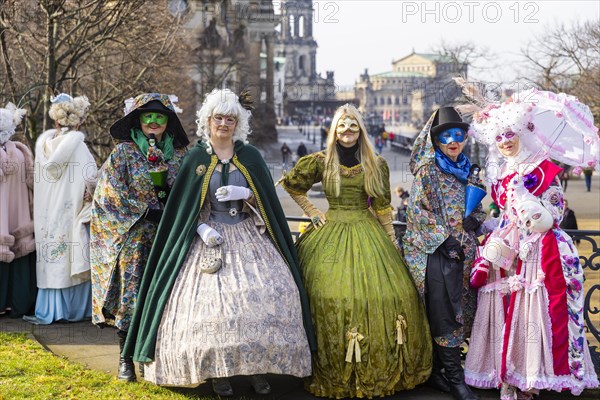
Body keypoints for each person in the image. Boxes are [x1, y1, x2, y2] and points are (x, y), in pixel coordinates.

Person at [123, 89, 315, 396]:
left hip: (247, 232)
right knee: (215, 306)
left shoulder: (250, 156)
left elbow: (268, 202)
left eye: (230, 118)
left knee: (271, 294)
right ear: (208, 121)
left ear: (238, 123)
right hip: (209, 238)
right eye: (218, 118)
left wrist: (248, 195)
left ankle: (257, 368)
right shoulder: (196, 158)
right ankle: (218, 373)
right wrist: (200, 229)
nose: (223, 124)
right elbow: (183, 208)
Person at [281, 103, 432, 398]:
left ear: (360, 130)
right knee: (325, 294)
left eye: (352, 126)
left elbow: (382, 207)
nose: (347, 131)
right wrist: (312, 210)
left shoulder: (375, 163)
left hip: (368, 232)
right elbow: (292, 185)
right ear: (333, 130)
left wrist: (391, 238)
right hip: (331, 231)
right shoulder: (320, 162)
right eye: (341, 126)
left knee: (391, 294)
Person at [461, 88, 599, 399]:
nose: (505, 141)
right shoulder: (503, 174)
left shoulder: (542, 168)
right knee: (511, 308)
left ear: (523, 131)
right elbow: (508, 216)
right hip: (509, 251)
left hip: (540, 252)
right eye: (499, 137)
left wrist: (526, 199)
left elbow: (553, 215)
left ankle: (535, 375)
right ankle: (511, 372)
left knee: (533, 310)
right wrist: (490, 225)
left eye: (510, 133)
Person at [90, 93, 188, 382]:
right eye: (148, 116)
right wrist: (144, 211)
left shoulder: (181, 154)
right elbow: (108, 194)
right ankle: (125, 359)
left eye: (160, 116)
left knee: (168, 293)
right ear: (139, 120)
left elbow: (192, 188)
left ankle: (158, 356)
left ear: (168, 121)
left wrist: (172, 204)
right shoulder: (123, 153)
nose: (154, 122)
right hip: (136, 236)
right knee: (132, 295)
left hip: (170, 234)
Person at [403, 106, 485, 400]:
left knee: (462, 310)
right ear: (436, 140)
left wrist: (476, 217)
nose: (453, 141)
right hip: (437, 253)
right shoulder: (428, 171)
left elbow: (478, 206)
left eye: (459, 135)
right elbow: (418, 211)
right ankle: (455, 379)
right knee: (445, 313)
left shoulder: (469, 169)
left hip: (466, 254)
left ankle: (439, 372)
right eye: (447, 136)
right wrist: (444, 240)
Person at [23, 94, 97, 325]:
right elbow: (92, 178)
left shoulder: (43, 149)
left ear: (56, 121)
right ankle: (76, 309)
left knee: (52, 257)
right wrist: (91, 192)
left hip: (49, 214)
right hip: (72, 211)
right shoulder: (79, 149)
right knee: (72, 254)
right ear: (77, 122)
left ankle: (51, 309)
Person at [0, 103, 36, 318]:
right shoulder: (22, 153)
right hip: (21, 215)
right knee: (21, 259)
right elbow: (34, 184)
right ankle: (19, 304)